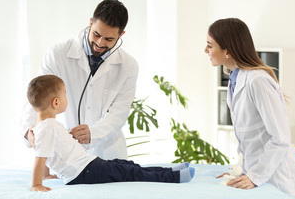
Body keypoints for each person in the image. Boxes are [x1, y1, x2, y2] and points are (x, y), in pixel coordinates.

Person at [27, 75, 195, 192]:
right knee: (130, 172)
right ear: (56, 102)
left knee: (128, 166)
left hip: (87, 166)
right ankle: (175, 177)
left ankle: (170, 170)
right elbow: (40, 157)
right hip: (83, 172)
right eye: (64, 95)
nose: (66, 98)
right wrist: (37, 184)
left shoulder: (46, 126)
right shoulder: (47, 128)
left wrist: (48, 174)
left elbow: (48, 152)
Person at [205, 18, 295, 199]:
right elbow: (250, 141)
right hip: (261, 175)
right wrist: (242, 174)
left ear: (227, 51)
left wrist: (254, 177)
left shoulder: (257, 80)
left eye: (210, 45)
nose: (205, 50)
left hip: (282, 178)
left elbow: (280, 138)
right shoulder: (235, 79)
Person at [21, 0, 138, 160]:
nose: (99, 43)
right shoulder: (58, 55)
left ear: (120, 35)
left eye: (109, 39)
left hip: (107, 153)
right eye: (96, 34)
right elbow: (37, 96)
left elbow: (119, 114)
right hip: (66, 153)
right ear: (90, 23)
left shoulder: (128, 66)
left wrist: (94, 133)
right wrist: (29, 129)